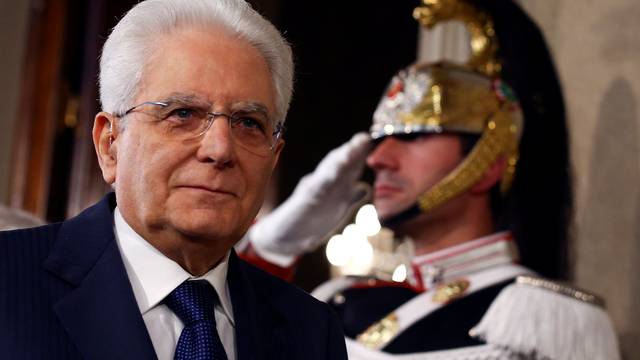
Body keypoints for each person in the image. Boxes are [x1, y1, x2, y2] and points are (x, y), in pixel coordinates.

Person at [239, 0, 621, 359]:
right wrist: (275, 248)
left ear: (487, 162)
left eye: (413, 136)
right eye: (382, 138)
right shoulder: (340, 300)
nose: (379, 159)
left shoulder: (541, 318)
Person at [0, 0, 347, 359]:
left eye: (248, 122)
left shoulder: (311, 331)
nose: (220, 150)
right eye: (182, 114)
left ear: (274, 159)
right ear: (109, 145)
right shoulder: (8, 281)